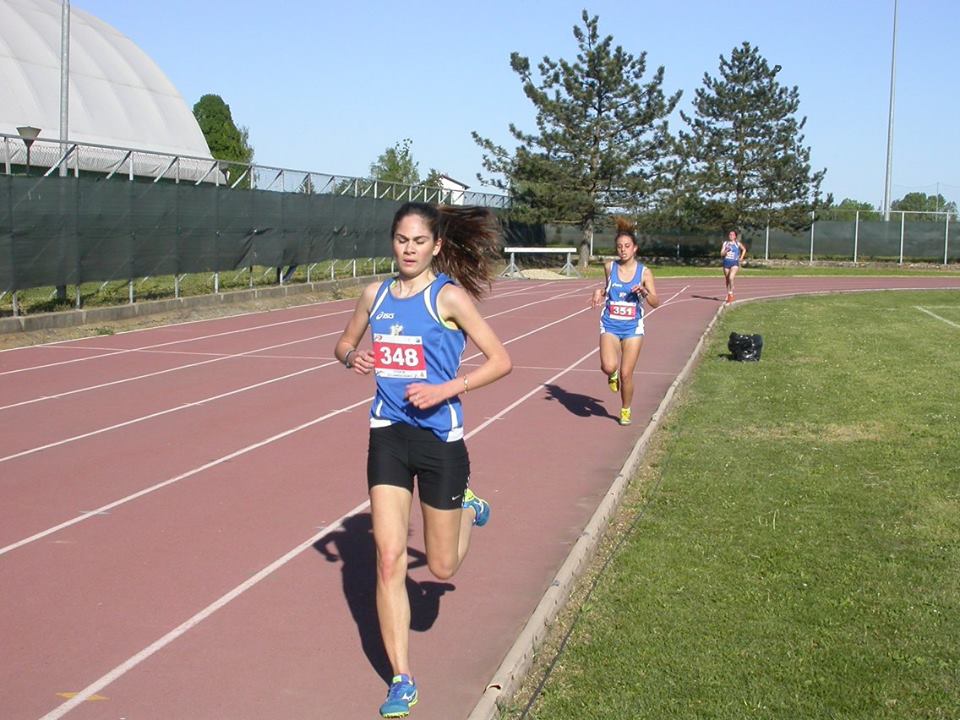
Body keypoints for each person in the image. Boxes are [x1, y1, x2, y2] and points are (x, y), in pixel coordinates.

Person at [334, 201, 512, 718]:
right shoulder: (376, 294)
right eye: (401, 240)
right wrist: (352, 356)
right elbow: (342, 342)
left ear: (436, 246)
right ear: (392, 242)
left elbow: (501, 360)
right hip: (388, 434)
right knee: (389, 559)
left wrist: (446, 389)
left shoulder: (448, 297)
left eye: (418, 241)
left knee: (440, 565)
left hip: (439, 439)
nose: (408, 249)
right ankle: (402, 679)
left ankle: (468, 508)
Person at [590, 218, 659, 427]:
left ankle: (625, 409)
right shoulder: (609, 267)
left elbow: (655, 302)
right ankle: (611, 374)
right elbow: (608, 289)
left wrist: (645, 292)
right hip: (610, 324)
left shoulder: (644, 272)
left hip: (632, 328)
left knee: (627, 374)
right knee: (608, 366)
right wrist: (599, 292)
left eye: (627, 246)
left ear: (635, 248)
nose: (623, 250)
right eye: (619, 246)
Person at [721, 229, 747, 303]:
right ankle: (729, 293)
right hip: (726, 262)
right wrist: (726, 251)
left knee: (731, 278)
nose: (731, 236)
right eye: (730, 234)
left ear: (735, 236)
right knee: (727, 279)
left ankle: (731, 291)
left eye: (732, 235)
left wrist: (741, 258)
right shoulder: (725, 243)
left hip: (734, 263)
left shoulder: (737, 243)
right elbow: (721, 254)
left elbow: (744, 249)